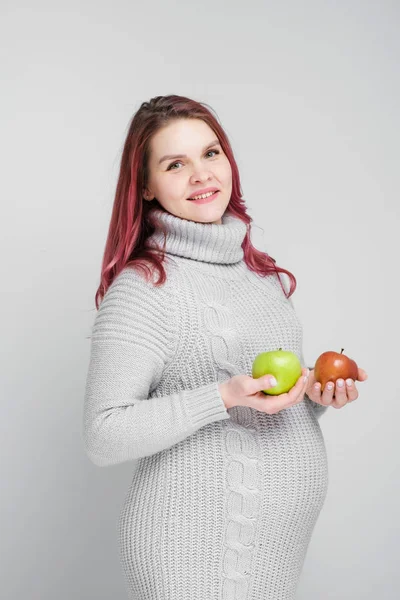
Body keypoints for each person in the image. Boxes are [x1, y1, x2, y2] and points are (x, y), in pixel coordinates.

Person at [82, 94, 367, 600]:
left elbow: (269, 404)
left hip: (274, 543)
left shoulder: (260, 276)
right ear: (145, 186)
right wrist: (222, 397)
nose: (201, 175)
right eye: (176, 164)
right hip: (197, 544)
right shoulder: (144, 289)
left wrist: (314, 397)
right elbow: (104, 434)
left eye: (211, 154)